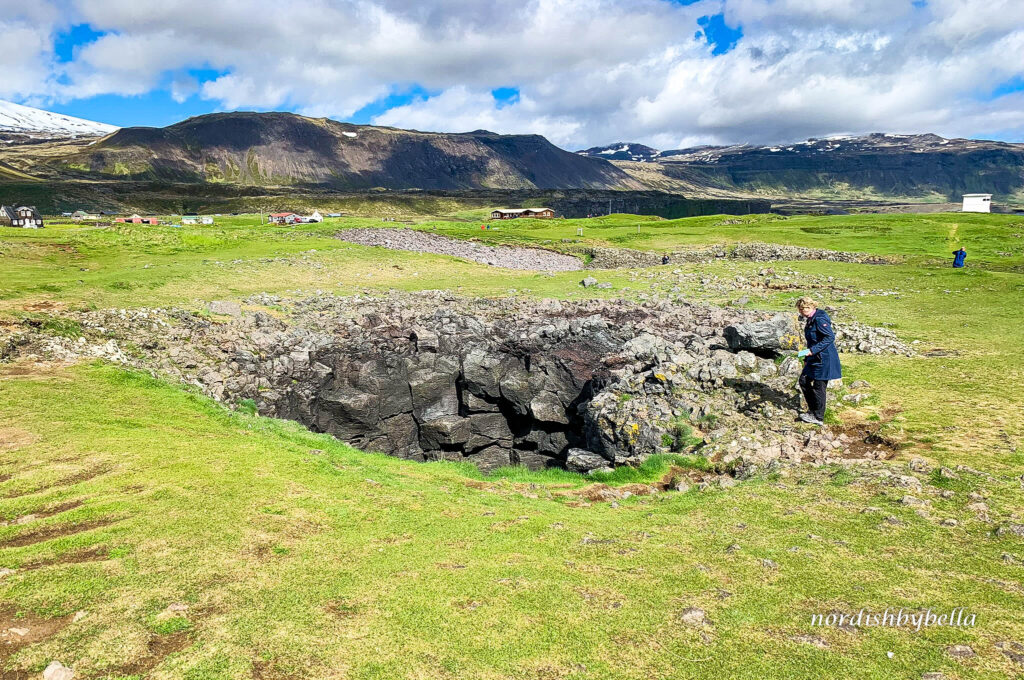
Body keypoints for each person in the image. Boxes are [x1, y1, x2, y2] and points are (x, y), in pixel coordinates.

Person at [795, 296, 841, 426]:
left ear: (812, 307)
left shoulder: (820, 319)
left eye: (804, 309)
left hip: (824, 358)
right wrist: (806, 357)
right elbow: (812, 341)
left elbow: (829, 337)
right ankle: (812, 411)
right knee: (803, 380)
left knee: (819, 386)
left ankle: (818, 417)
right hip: (814, 357)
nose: (802, 311)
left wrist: (813, 351)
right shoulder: (810, 319)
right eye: (800, 309)